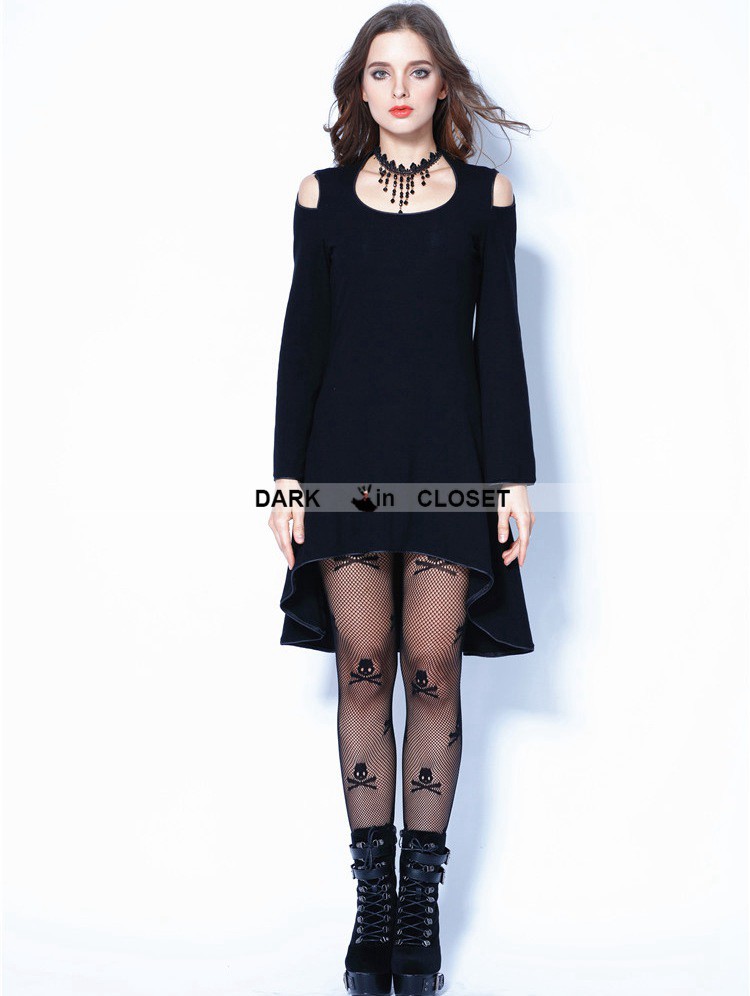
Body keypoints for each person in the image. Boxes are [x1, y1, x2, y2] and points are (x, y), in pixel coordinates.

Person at [268, 4, 537, 993]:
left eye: (417, 71)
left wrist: (514, 478)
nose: (398, 89)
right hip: (343, 463)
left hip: (449, 463)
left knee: (431, 666)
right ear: (360, 87)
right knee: (364, 667)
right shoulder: (323, 197)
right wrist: (285, 477)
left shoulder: (487, 198)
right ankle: (372, 904)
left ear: (442, 84)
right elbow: (304, 341)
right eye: (380, 72)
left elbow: (499, 345)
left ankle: (419, 903)